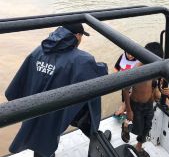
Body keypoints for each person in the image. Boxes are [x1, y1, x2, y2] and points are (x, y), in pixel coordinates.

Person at [5, 23, 108, 157]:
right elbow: (98, 74)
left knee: (39, 139)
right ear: (77, 36)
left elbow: (19, 84)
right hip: (55, 113)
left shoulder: (38, 50)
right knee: (46, 140)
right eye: (82, 36)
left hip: (32, 108)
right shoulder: (82, 59)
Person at [121, 42, 163, 157]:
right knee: (137, 129)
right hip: (136, 105)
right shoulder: (136, 71)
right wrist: (129, 110)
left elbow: (158, 81)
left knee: (147, 127)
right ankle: (125, 126)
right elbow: (125, 90)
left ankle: (138, 147)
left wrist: (163, 90)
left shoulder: (154, 66)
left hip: (149, 103)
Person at [114, 52, 139, 116]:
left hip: (135, 86)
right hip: (124, 85)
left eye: (132, 54)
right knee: (124, 98)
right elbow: (116, 68)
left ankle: (130, 111)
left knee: (134, 101)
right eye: (128, 53)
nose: (130, 56)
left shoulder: (139, 59)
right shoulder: (122, 56)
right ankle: (124, 110)